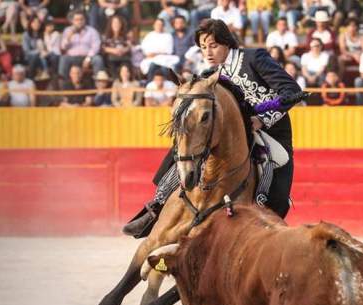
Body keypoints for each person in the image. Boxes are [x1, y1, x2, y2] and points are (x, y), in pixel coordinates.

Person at [122, 18, 302, 236]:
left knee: (277, 160)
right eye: (203, 47)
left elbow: (291, 91)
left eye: (213, 45)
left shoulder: (254, 58)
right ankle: (156, 207)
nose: (208, 52)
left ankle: (265, 215)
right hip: (232, 131)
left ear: (227, 43)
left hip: (269, 129)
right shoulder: (210, 75)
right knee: (186, 145)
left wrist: (262, 118)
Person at [59, 10, 104, 80]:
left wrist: (88, 59)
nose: (79, 21)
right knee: (64, 59)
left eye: (81, 19)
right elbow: (63, 47)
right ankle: (63, 85)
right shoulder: (67, 30)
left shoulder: (92, 31)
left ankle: (99, 85)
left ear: (85, 20)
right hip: (72, 57)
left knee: (98, 59)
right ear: (72, 21)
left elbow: (96, 46)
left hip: (87, 57)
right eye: (77, 20)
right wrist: (69, 37)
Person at [23, 15, 49, 80]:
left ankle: (45, 73)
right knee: (36, 56)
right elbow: (26, 50)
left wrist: (45, 51)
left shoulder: (43, 34)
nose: (37, 24)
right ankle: (32, 77)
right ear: (30, 24)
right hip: (30, 56)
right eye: (34, 22)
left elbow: (47, 47)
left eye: (38, 22)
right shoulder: (26, 34)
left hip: (43, 55)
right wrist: (38, 51)